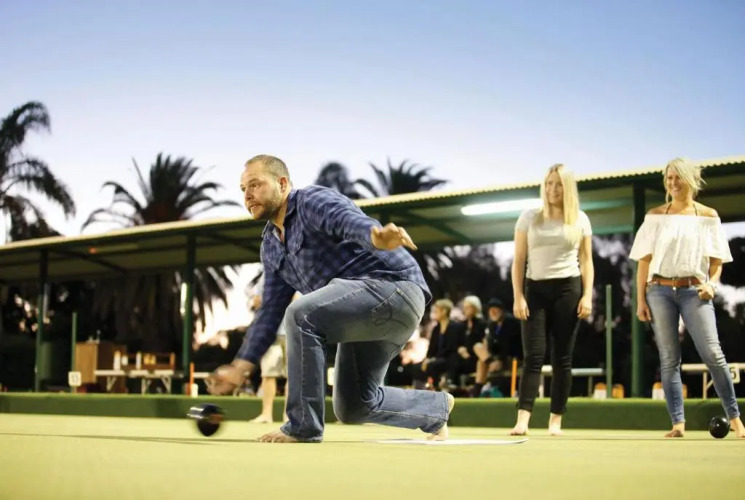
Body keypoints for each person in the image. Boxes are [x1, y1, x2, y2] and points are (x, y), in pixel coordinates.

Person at [205, 154, 454, 443]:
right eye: (243, 189)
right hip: (365, 315)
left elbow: (349, 221)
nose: (248, 195)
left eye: (255, 185)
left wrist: (375, 236)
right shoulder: (271, 246)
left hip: (394, 288)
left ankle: (303, 427)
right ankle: (433, 410)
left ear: (282, 183)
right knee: (354, 405)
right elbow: (270, 312)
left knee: (301, 314)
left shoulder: (311, 201)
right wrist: (241, 366)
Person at [629, 158, 745, 439]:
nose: (673, 183)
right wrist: (641, 300)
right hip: (658, 290)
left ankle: (736, 421)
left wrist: (711, 285)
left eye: (678, 177)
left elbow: (717, 262)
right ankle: (677, 424)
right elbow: (643, 262)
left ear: (691, 180)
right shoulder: (655, 216)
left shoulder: (708, 216)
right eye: (669, 178)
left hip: (695, 291)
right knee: (669, 358)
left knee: (713, 354)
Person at [510, 163, 594, 436]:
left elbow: (586, 260)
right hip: (535, 290)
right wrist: (518, 296)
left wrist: (587, 295)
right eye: (548, 183)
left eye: (558, 184)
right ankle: (522, 420)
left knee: (562, 358)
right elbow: (518, 260)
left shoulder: (580, 219)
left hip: (568, 289)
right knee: (533, 356)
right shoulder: (529, 217)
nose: (552, 189)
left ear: (567, 188)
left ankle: (555, 420)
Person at [414, 299, 467, 391]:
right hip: (436, 358)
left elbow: (453, 347)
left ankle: (437, 388)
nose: (434, 314)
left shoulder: (457, 327)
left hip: (449, 357)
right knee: (416, 367)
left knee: (433, 365)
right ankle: (420, 389)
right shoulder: (436, 328)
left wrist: (432, 360)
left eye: (436, 311)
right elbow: (432, 348)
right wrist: (428, 359)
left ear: (444, 311)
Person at [472, 298, 520, 397]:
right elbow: (493, 345)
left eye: (495, 309)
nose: (492, 312)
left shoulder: (510, 322)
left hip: (510, 357)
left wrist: (500, 360)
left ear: (502, 310)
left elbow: (509, 345)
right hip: (496, 358)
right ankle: (477, 392)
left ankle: (476, 392)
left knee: (481, 362)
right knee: (478, 348)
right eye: (490, 310)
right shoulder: (493, 325)